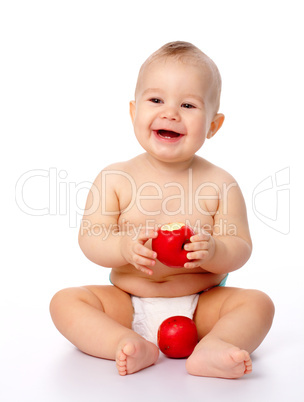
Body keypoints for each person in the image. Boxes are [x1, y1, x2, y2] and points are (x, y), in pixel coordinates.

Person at [50, 41, 275, 379]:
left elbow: (240, 247)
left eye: (188, 104)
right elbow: (91, 238)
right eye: (156, 100)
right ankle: (124, 342)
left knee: (258, 304)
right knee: (64, 302)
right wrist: (123, 248)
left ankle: (215, 344)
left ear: (214, 125)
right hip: (127, 302)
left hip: (200, 305)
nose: (170, 113)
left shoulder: (220, 184)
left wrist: (213, 250)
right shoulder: (115, 178)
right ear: (133, 111)